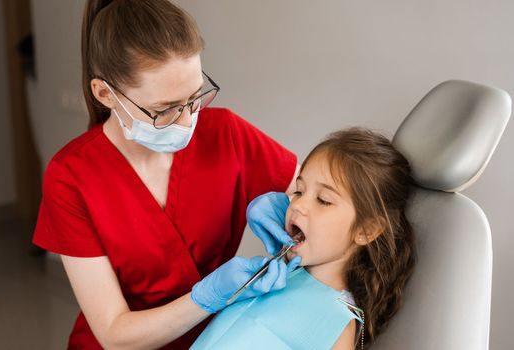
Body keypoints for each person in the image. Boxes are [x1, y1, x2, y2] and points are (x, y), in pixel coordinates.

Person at [31, 0, 301, 348]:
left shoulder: (227, 134)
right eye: (165, 109)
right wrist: (208, 296)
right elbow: (114, 333)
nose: (188, 121)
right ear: (105, 94)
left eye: (193, 99)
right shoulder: (70, 176)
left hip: (217, 340)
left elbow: (317, 202)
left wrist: (298, 211)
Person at [192, 128, 417, 349]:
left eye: (323, 200)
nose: (297, 204)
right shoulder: (270, 278)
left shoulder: (338, 325)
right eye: (299, 191)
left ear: (366, 230)